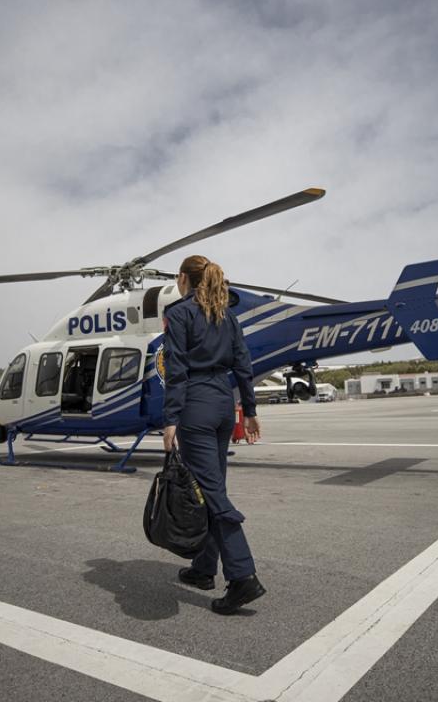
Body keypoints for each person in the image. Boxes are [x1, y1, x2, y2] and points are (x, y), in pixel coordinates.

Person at [161, 254, 265, 615]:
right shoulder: (228, 316)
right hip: (224, 405)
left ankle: (242, 577)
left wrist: (171, 417)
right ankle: (204, 568)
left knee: (213, 496)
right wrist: (248, 411)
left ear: (185, 279)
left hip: (197, 406)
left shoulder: (178, 314)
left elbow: (175, 368)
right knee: (211, 487)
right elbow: (243, 365)